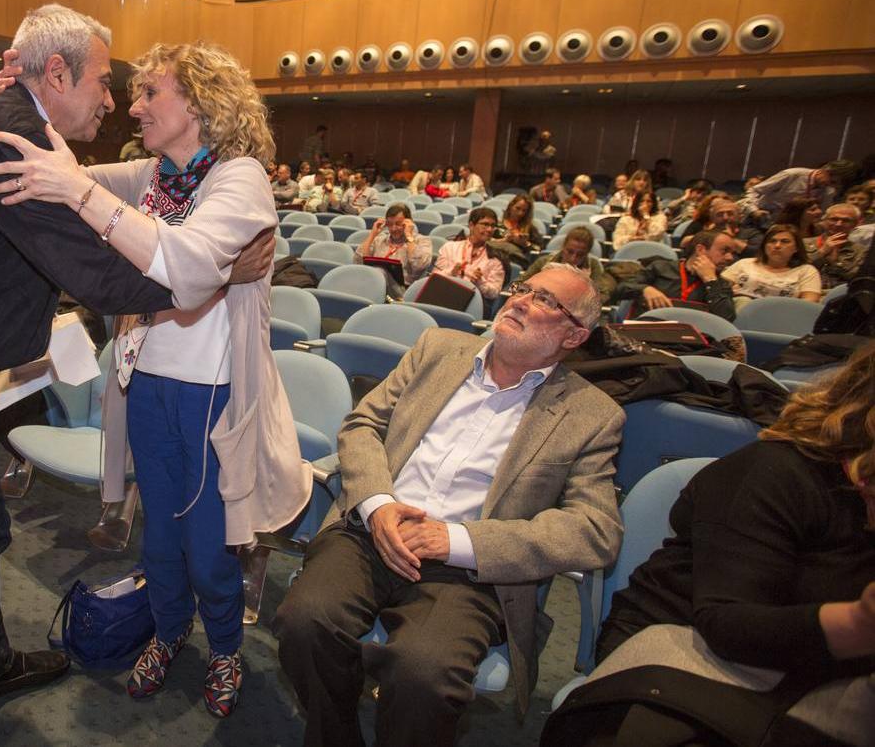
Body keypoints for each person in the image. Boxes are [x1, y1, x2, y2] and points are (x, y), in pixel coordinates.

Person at [0, 4, 272, 746]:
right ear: (59, 73)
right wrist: (212, 276)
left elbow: (61, 192)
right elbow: (100, 276)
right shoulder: (10, 134)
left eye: (140, 91)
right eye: (108, 83)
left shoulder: (11, 131)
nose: (118, 101)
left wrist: (200, 266)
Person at [0, 40, 310, 717]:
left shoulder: (238, 177)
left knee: (207, 544)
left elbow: (187, 267)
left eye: (150, 92)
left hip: (212, 397)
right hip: (149, 385)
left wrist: (80, 192)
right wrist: (17, 100)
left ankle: (222, 650)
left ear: (198, 101)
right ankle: (168, 634)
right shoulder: (154, 176)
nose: (133, 107)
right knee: (158, 534)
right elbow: (61, 166)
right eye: (131, 93)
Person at [273, 264, 625, 747]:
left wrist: (455, 540)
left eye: (545, 300)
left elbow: (595, 529)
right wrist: (378, 505)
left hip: (469, 571)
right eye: (523, 289)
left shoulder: (592, 415)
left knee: (423, 673)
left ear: (574, 335)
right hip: (371, 532)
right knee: (304, 622)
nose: (519, 300)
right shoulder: (438, 349)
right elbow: (362, 426)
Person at [547, 342, 875, 747]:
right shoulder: (773, 473)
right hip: (687, 658)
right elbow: (728, 626)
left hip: (808, 670)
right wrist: (858, 625)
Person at [617, 228, 737, 320]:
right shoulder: (661, 267)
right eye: (725, 251)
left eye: (732, 253)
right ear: (700, 250)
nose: (730, 258)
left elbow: (726, 318)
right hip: (644, 337)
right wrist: (644, 289)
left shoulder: (721, 284)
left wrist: (710, 280)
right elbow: (620, 289)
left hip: (691, 345)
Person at [721, 223, 822, 306]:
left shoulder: (806, 270)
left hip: (782, 317)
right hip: (742, 312)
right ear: (764, 246)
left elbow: (809, 303)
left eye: (785, 242)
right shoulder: (745, 263)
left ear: (796, 248)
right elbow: (718, 290)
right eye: (772, 241)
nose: (777, 246)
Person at [355, 203, 433, 299]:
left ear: (409, 222)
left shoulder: (422, 241)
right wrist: (372, 234)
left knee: (380, 272)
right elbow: (358, 261)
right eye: (390, 224)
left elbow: (419, 265)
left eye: (398, 224)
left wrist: (408, 235)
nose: (393, 228)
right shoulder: (379, 240)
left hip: (403, 292)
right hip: (373, 287)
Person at [520, 225, 614, 304]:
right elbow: (520, 283)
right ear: (563, 247)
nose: (573, 258)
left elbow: (602, 295)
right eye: (570, 252)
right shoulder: (544, 261)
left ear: (587, 253)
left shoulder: (593, 266)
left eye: (580, 255)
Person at [738, 160, 855, 222]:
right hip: (761, 217)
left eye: (835, 185)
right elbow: (754, 190)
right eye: (831, 181)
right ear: (823, 171)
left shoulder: (829, 191)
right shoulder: (793, 174)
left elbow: (822, 215)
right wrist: (754, 211)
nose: (829, 186)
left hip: (793, 225)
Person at [433, 207, 505, 301]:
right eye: (485, 224)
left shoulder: (496, 259)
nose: (489, 229)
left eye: (493, 226)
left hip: (473, 301)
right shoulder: (449, 247)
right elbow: (434, 278)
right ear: (471, 225)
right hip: (443, 294)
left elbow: (494, 293)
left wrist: (480, 281)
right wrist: (451, 272)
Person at [806, 202, 867, 289]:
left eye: (846, 220)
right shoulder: (803, 243)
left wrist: (834, 263)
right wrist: (821, 253)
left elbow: (856, 280)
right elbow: (793, 270)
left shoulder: (862, 251)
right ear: (824, 221)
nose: (838, 224)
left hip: (838, 296)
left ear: (856, 224)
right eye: (834, 219)